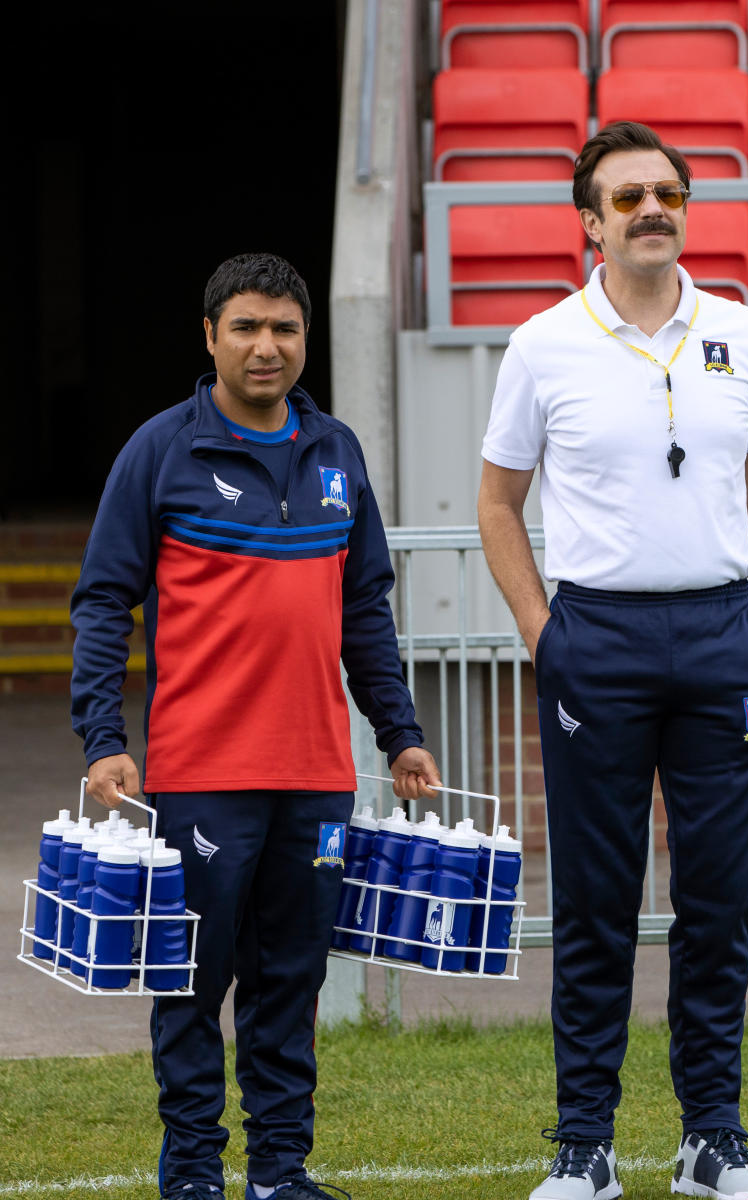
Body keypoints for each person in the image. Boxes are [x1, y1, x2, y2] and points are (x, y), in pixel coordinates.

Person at [70, 252, 441, 1200]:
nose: (266, 346)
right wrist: (103, 738)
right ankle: (192, 1173)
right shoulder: (161, 450)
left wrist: (397, 731)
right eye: (246, 327)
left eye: (284, 328)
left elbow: (366, 608)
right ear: (210, 337)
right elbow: (105, 599)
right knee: (193, 980)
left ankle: (281, 1171)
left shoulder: (338, 452)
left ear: (305, 338)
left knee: (292, 984)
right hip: (199, 772)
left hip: (317, 771)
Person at [477, 123, 748, 1200]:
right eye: (627, 198)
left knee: (714, 900)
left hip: (722, 637)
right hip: (596, 640)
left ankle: (712, 1138)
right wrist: (543, 633)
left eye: (666, 192)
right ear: (590, 224)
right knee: (597, 901)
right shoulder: (542, 344)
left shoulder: (743, 335)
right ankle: (585, 1146)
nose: (651, 208)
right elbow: (497, 503)